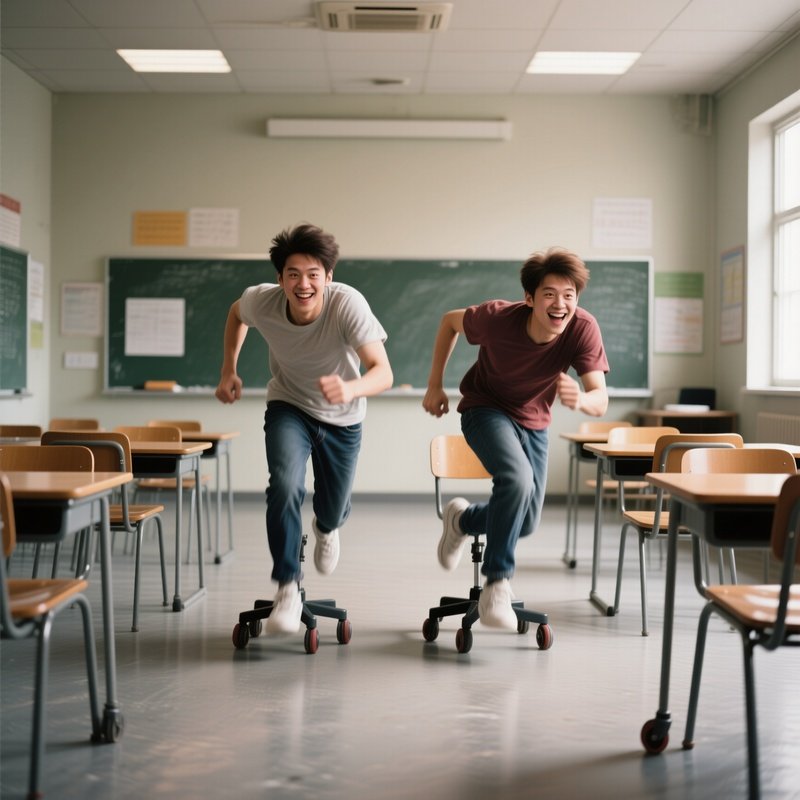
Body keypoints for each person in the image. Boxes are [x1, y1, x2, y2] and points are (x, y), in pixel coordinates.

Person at [216, 223, 393, 634]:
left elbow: (383, 372)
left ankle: (327, 528)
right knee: (284, 485)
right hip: (289, 405)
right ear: (280, 278)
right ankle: (287, 586)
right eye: (293, 274)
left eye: (313, 274)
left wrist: (350, 388)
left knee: (333, 507)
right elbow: (236, 314)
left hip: (343, 417)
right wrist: (228, 369)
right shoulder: (262, 301)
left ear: (328, 277)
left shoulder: (347, 304)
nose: (303, 284)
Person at [422, 247, 609, 629]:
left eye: (569, 295)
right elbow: (448, 322)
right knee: (517, 479)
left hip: (534, 421)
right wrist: (434, 385)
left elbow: (600, 399)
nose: (560, 304)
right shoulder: (497, 318)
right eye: (549, 294)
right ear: (529, 298)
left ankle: (462, 520)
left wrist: (581, 399)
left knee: (524, 522)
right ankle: (497, 583)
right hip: (485, 409)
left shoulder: (583, 328)